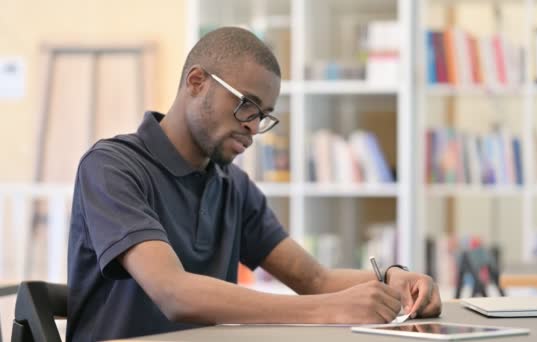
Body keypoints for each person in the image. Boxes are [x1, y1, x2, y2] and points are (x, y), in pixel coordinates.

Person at [66, 26, 441, 341]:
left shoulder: (233, 186)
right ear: (196, 82)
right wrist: (327, 310)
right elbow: (173, 292)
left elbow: (314, 278)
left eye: (264, 116)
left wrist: (394, 280)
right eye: (247, 104)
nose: (252, 126)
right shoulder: (112, 168)